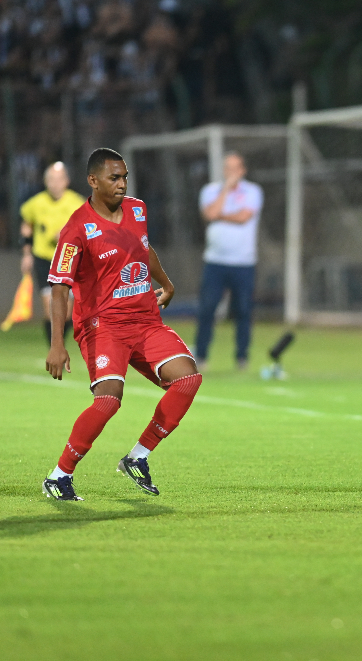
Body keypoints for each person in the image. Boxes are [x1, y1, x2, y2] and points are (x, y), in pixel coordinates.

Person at [42, 148, 202, 501]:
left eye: (125, 176)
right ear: (93, 181)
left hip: (144, 319)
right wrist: (57, 343)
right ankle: (59, 476)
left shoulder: (137, 209)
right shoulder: (76, 229)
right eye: (114, 178)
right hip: (103, 325)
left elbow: (144, 249)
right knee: (109, 401)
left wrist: (167, 281)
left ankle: (138, 456)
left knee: (188, 378)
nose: (122, 184)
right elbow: (59, 287)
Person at [194, 152, 263, 371]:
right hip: (215, 262)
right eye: (227, 168)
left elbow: (244, 217)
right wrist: (225, 192)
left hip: (244, 263)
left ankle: (242, 357)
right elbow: (210, 213)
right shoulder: (211, 190)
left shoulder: (253, 191)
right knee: (207, 309)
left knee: (243, 310)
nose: (230, 172)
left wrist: (221, 215)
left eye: (235, 168)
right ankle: (201, 355)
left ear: (242, 170)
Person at [19, 161, 85, 344]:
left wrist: (68, 235)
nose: (55, 184)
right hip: (44, 258)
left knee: (67, 311)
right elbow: (26, 225)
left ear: (66, 181)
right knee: (50, 307)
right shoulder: (36, 203)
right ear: (46, 181)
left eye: (59, 179)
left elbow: (87, 230)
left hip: (68, 259)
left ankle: (59, 343)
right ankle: (54, 348)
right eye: (51, 180)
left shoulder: (77, 203)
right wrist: (26, 253)